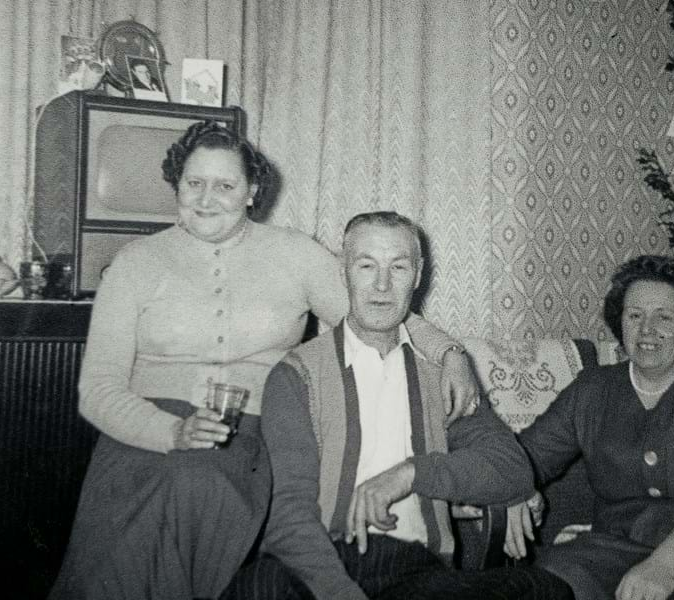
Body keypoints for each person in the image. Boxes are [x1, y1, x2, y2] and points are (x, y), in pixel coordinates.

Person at [48, 123, 479, 600]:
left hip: (250, 431)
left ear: (252, 192)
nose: (207, 198)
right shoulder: (134, 262)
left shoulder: (296, 254)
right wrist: (171, 432)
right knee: (151, 509)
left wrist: (450, 353)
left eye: (225, 185)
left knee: (200, 483)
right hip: (144, 433)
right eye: (194, 184)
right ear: (176, 185)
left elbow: (376, 311)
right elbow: (99, 388)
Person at [225, 211, 572, 600]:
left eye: (399, 267)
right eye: (367, 265)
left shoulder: (441, 375)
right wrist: (340, 593)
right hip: (317, 564)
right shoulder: (296, 375)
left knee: (544, 591)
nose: (382, 285)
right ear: (343, 272)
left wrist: (409, 474)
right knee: (255, 590)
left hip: (415, 572)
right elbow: (288, 518)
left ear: (418, 276)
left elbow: (512, 470)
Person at [505, 255, 674, 600]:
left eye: (664, 316)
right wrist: (511, 487)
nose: (647, 329)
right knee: (548, 585)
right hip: (614, 546)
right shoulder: (592, 389)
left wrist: (663, 566)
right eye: (635, 316)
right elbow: (526, 456)